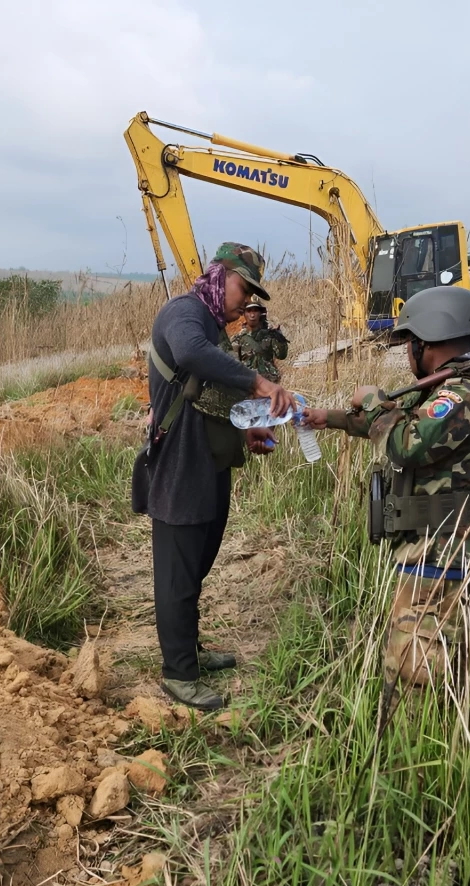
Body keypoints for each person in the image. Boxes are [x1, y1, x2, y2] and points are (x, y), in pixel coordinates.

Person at [301, 286, 470, 689]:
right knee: (437, 665)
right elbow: (409, 424)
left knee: (415, 672)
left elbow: (406, 443)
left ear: (424, 342)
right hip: (444, 554)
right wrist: (328, 418)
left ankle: (412, 748)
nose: (407, 352)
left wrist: (374, 400)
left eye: (408, 343)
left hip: (438, 558)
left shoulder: (463, 394)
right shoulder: (457, 389)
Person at [138, 242, 295, 711]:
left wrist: (249, 430)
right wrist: (261, 383)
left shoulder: (213, 325)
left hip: (209, 465)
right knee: (177, 575)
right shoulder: (183, 314)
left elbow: (212, 395)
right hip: (179, 467)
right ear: (219, 273)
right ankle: (178, 675)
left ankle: (190, 651)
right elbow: (191, 355)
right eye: (242, 287)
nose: (244, 301)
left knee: (197, 565)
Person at [229, 301, 290, 382]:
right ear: (244, 314)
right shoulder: (238, 339)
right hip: (248, 384)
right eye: (249, 311)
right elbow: (232, 365)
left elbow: (282, 356)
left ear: (261, 313)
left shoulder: (270, 335)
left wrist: (280, 338)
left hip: (270, 382)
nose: (252, 315)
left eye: (255, 311)